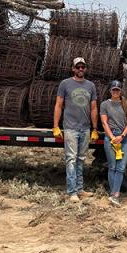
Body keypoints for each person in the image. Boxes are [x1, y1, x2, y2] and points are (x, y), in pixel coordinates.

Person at [53, 57, 100, 203]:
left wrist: (95, 128)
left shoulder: (90, 86)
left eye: (82, 67)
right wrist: (55, 126)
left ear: (85, 69)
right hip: (71, 128)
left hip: (85, 128)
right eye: (77, 67)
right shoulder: (65, 84)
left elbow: (93, 108)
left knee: (81, 159)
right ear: (73, 68)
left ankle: (80, 189)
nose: (80, 69)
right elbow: (59, 105)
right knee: (71, 160)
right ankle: (72, 192)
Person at [100, 80, 127, 207]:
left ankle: (114, 194)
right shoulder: (104, 105)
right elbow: (104, 122)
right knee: (112, 166)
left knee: (121, 167)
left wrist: (122, 136)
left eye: (117, 89)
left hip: (123, 138)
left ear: (120, 91)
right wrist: (112, 137)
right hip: (111, 138)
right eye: (113, 89)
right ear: (110, 91)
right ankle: (115, 195)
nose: (115, 91)